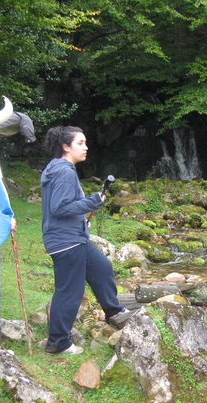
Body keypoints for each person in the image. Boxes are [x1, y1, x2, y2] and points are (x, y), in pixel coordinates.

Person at [41, 126, 129, 355]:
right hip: (66, 241)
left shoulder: (57, 168)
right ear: (66, 147)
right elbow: (59, 208)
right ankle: (58, 342)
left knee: (102, 267)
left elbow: (64, 207)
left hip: (73, 236)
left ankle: (114, 313)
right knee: (69, 291)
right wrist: (91, 203)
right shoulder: (64, 172)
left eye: (85, 142)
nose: (86, 147)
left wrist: (82, 218)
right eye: (80, 143)